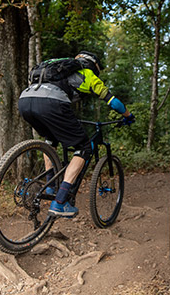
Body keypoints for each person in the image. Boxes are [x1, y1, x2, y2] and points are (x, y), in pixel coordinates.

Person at [17, 51, 135, 218]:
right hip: (52, 103)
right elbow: (113, 102)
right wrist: (128, 116)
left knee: (50, 140)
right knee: (84, 148)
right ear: (94, 65)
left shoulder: (55, 68)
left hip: (25, 101)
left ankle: (50, 186)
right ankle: (60, 201)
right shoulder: (87, 73)